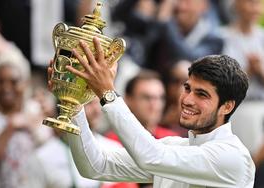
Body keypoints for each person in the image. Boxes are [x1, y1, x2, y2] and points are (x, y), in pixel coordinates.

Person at [49, 38, 255, 187]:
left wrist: (107, 93)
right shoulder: (173, 146)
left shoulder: (232, 157)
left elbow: (151, 157)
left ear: (227, 106)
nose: (188, 99)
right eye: (187, 88)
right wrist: (73, 98)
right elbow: (95, 166)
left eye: (202, 94)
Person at [106, 70, 178, 143]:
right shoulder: (112, 142)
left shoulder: (172, 139)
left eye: (160, 98)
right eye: (146, 97)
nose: (154, 104)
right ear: (128, 99)